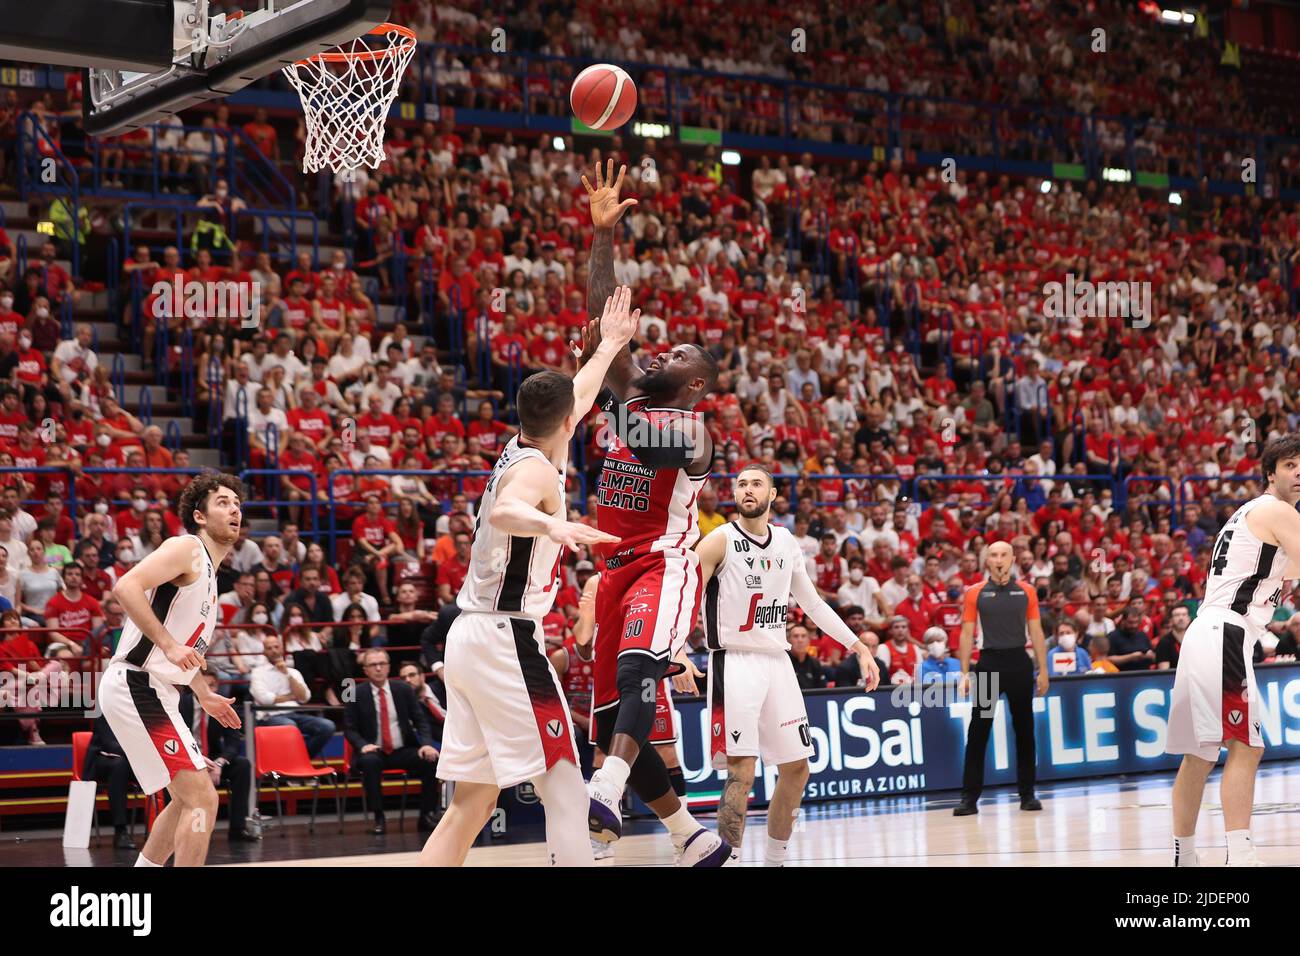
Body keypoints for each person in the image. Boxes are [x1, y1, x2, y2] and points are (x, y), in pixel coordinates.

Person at [419, 283, 638, 868]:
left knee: (472, 801)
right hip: (504, 639)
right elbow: (505, 510)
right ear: (569, 422)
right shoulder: (536, 474)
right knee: (565, 780)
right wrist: (554, 529)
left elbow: (580, 392)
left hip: (468, 638)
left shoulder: (526, 443)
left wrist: (610, 345)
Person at [580, 160, 728, 866]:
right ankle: (689, 835)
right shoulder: (633, 388)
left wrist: (612, 368)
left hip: (663, 567)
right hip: (613, 570)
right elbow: (601, 319)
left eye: (681, 352)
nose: (665, 347)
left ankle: (605, 786)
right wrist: (602, 236)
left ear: (695, 382)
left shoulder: (696, 433)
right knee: (613, 715)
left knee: (641, 671)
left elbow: (635, 430)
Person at [678, 465, 879, 865]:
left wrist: (858, 646)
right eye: (741, 484)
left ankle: (776, 860)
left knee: (797, 768)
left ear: (772, 495)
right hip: (733, 663)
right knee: (741, 772)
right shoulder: (718, 542)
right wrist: (679, 650)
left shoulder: (786, 542)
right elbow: (683, 596)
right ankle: (730, 860)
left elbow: (814, 603)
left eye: (756, 484)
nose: (747, 490)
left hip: (777, 662)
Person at [96, 473, 244, 867]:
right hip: (136, 682)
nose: (234, 509)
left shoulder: (211, 578)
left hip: (158, 688)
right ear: (199, 515)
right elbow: (126, 586)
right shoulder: (187, 548)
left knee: (185, 800)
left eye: (237, 503)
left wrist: (203, 692)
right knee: (202, 798)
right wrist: (167, 643)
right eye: (223, 502)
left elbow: (183, 653)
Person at [1167, 435, 1300, 867]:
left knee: (1200, 754)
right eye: (1289, 465)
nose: (1298, 472)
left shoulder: (1254, 514)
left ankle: (1184, 856)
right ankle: (1241, 856)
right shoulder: (1278, 511)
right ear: (1270, 474)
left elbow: (1287, 568)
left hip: (1207, 632)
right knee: (1246, 747)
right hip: (1226, 632)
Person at [955, 541, 1049, 816]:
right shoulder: (975, 593)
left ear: (1012, 559)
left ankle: (1028, 794)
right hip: (988, 663)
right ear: (987, 561)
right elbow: (965, 633)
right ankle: (969, 798)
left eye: (1003, 555)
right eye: (993, 555)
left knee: (1025, 730)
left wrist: (1043, 670)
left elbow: (1037, 631)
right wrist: (963, 673)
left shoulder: (1027, 591)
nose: (998, 560)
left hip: (1020, 662)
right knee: (978, 732)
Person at [344, 648, 441, 834]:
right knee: (370, 763)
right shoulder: (355, 693)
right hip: (374, 750)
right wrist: (363, 745)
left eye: (382, 664)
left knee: (431, 760)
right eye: (373, 665)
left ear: (389, 667)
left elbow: (420, 720)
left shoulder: (403, 689)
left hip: (401, 749)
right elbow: (350, 728)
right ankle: (379, 818)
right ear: (365, 670)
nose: (378, 668)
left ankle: (426, 816)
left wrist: (426, 744)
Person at [178, 672, 257, 842]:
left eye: (212, 685)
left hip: (213, 757)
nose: (208, 689)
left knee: (242, 765)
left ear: (217, 687)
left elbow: (233, 743)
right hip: (185, 757)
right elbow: (175, 740)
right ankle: (179, 830)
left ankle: (238, 828)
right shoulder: (179, 704)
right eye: (203, 685)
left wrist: (219, 763)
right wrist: (197, 761)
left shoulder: (222, 705)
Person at [250, 634, 335, 758]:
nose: (273, 650)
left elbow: (304, 697)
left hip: (294, 714)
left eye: (276, 647)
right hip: (269, 717)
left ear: (282, 648)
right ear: (264, 652)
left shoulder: (293, 672)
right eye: (269, 648)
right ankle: (295, 760)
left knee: (327, 726)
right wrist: (291, 696)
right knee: (290, 726)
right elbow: (265, 699)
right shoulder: (258, 673)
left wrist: (287, 674)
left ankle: (300, 759)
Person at [82, 714, 138, 849]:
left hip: (133, 761)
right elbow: (109, 744)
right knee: (119, 766)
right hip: (104, 759)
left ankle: (171, 829)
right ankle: (120, 831)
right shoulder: (106, 711)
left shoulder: (138, 712)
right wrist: (135, 752)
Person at [1155, 603, 1192, 670]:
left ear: (1189, 619)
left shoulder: (1195, 640)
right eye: (1177, 615)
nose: (1181, 618)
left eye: (1184, 615)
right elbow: (1164, 673)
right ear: (1171, 620)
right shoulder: (1164, 643)